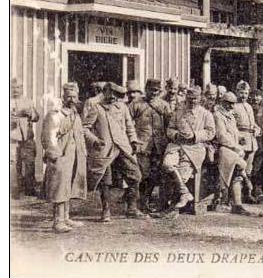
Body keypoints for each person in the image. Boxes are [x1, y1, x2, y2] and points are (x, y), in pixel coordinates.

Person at [82, 83, 146, 221]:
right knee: (105, 181)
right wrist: (95, 140)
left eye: (116, 96)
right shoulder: (96, 108)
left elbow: (130, 127)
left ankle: (132, 208)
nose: (113, 99)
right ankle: (106, 210)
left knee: (135, 175)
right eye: (110, 95)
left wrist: (133, 141)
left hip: (122, 148)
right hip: (104, 149)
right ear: (104, 93)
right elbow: (85, 128)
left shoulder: (122, 107)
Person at [41, 83, 87, 233]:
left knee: (69, 185)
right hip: (61, 155)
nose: (72, 99)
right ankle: (57, 222)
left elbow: (79, 134)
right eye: (68, 96)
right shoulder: (55, 114)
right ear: (63, 96)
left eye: (74, 96)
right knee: (59, 187)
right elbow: (49, 137)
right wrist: (54, 155)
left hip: (74, 155)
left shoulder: (75, 114)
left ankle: (66, 217)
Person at [163, 86, 215, 212]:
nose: (192, 102)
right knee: (167, 164)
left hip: (195, 148)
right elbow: (170, 129)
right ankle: (184, 192)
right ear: (186, 98)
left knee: (183, 174)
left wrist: (195, 135)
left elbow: (211, 132)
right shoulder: (179, 112)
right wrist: (175, 134)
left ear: (200, 99)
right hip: (177, 145)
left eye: (195, 99)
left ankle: (177, 202)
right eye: (190, 99)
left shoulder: (206, 114)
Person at [129, 79, 172, 212]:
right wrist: (133, 140)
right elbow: (128, 123)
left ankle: (146, 201)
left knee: (155, 175)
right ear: (146, 89)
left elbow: (168, 125)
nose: (153, 93)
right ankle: (140, 202)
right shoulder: (136, 104)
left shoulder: (164, 105)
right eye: (151, 90)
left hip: (159, 145)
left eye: (156, 90)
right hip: (142, 145)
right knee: (143, 174)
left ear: (159, 91)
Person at [212, 91, 253, 215]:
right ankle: (239, 194)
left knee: (237, 169)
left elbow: (233, 132)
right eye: (228, 103)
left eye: (233, 104)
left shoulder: (230, 115)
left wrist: (240, 137)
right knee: (239, 165)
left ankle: (237, 204)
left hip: (231, 148)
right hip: (221, 148)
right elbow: (221, 136)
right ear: (222, 102)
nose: (231, 106)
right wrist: (236, 147)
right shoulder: (218, 115)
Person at [10, 77, 40, 198]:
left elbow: (37, 117)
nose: (16, 90)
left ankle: (30, 188)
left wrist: (31, 114)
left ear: (22, 88)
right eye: (13, 88)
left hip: (27, 138)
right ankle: (14, 189)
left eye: (18, 87)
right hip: (12, 138)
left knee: (30, 164)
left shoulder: (28, 101)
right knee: (13, 164)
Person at [234, 81, 261, 203]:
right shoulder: (234, 106)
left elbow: (253, 123)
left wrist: (257, 128)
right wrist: (239, 136)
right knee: (239, 168)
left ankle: (248, 195)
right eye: (241, 92)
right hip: (241, 141)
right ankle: (236, 197)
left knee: (249, 169)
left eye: (246, 93)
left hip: (251, 140)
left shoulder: (249, 106)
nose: (244, 95)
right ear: (237, 92)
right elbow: (232, 125)